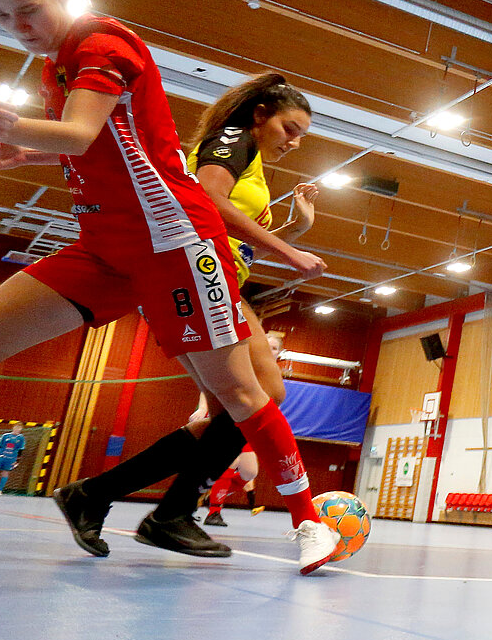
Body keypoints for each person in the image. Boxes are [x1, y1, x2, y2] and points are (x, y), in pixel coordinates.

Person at [0, 0, 338, 574]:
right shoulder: (57, 63)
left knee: (240, 394)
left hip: (174, 246)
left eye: (28, 9)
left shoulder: (102, 42)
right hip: (104, 246)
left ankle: (310, 523)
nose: (17, 25)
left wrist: (11, 126)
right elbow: (100, 143)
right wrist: (27, 151)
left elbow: (82, 131)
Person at [53, 73, 326, 558]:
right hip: (199, 275)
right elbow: (207, 202)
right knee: (262, 398)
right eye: (291, 127)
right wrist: (285, 248)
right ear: (261, 114)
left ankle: (100, 497)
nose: (296, 141)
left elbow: (239, 234)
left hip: (222, 279)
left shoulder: (253, 158)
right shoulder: (233, 138)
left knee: (231, 414)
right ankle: (167, 512)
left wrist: (296, 227)